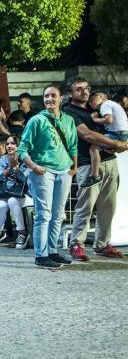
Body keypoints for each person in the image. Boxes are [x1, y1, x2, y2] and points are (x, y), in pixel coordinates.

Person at [63, 78, 128, 261]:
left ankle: (102, 244)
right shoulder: (69, 112)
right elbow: (87, 135)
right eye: (79, 89)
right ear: (70, 93)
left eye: (87, 88)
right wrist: (118, 143)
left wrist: (120, 143)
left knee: (109, 206)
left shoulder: (96, 107)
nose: (84, 92)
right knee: (86, 205)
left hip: (109, 160)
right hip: (87, 162)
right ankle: (77, 243)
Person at [17, 83, 77, 269]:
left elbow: (74, 145)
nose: (49, 99)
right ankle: (40, 255)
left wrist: (74, 166)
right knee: (44, 214)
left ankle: (52, 251)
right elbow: (22, 149)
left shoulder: (68, 120)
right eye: (46, 96)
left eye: (53, 96)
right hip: (43, 172)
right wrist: (34, 167)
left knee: (58, 215)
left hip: (64, 171)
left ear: (61, 99)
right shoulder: (37, 120)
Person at [0, 136, 32, 249]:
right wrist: (8, 169)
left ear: (19, 146)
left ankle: (22, 233)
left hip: (25, 195)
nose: (9, 146)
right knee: (1, 204)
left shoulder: (25, 159)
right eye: (7, 144)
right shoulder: (4, 159)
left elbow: (26, 180)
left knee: (12, 201)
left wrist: (16, 169)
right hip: (7, 193)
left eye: (13, 144)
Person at [81, 91, 128, 188]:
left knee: (93, 148)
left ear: (100, 96)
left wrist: (94, 119)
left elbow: (108, 120)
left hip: (116, 133)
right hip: (122, 134)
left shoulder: (105, 105)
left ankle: (94, 176)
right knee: (105, 146)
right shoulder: (112, 104)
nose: (90, 104)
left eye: (91, 100)